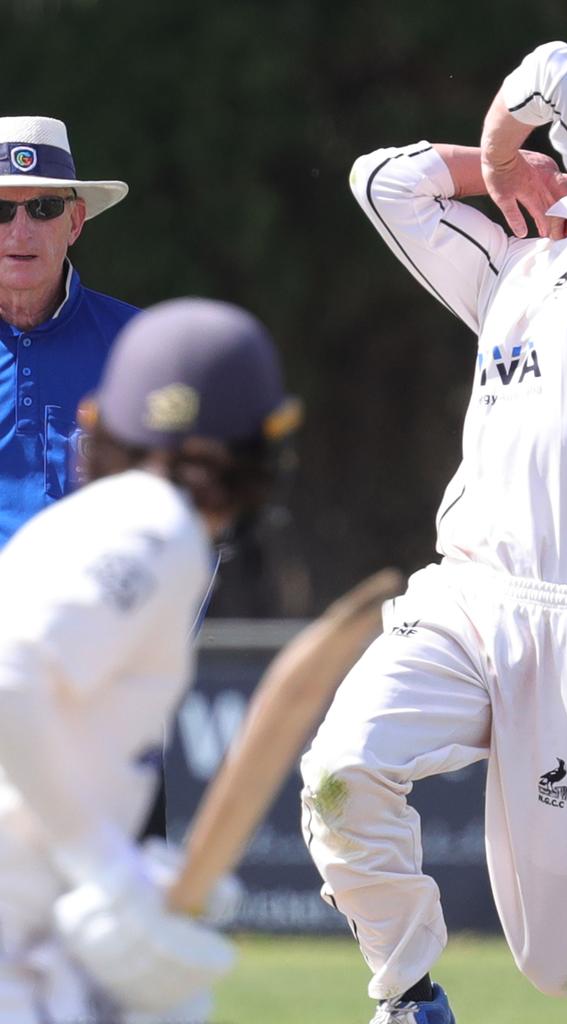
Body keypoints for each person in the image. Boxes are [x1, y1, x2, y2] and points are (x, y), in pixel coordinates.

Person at [300, 41, 567, 1023]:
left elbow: (561, 72)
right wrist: (500, 169)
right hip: (460, 596)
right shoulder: (516, 262)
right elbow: (383, 183)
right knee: (337, 778)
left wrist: (501, 140)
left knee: (565, 967)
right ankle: (408, 994)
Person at [0, 297, 301, 1023]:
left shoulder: (95, 520)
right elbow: (9, 681)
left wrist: (130, 869)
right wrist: (105, 867)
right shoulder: (157, 528)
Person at [0, 114, 138, 548]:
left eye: (44, 208)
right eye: (1, 210)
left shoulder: (140, 350)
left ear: (75, 222)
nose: (20, 232)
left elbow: (187, 518)